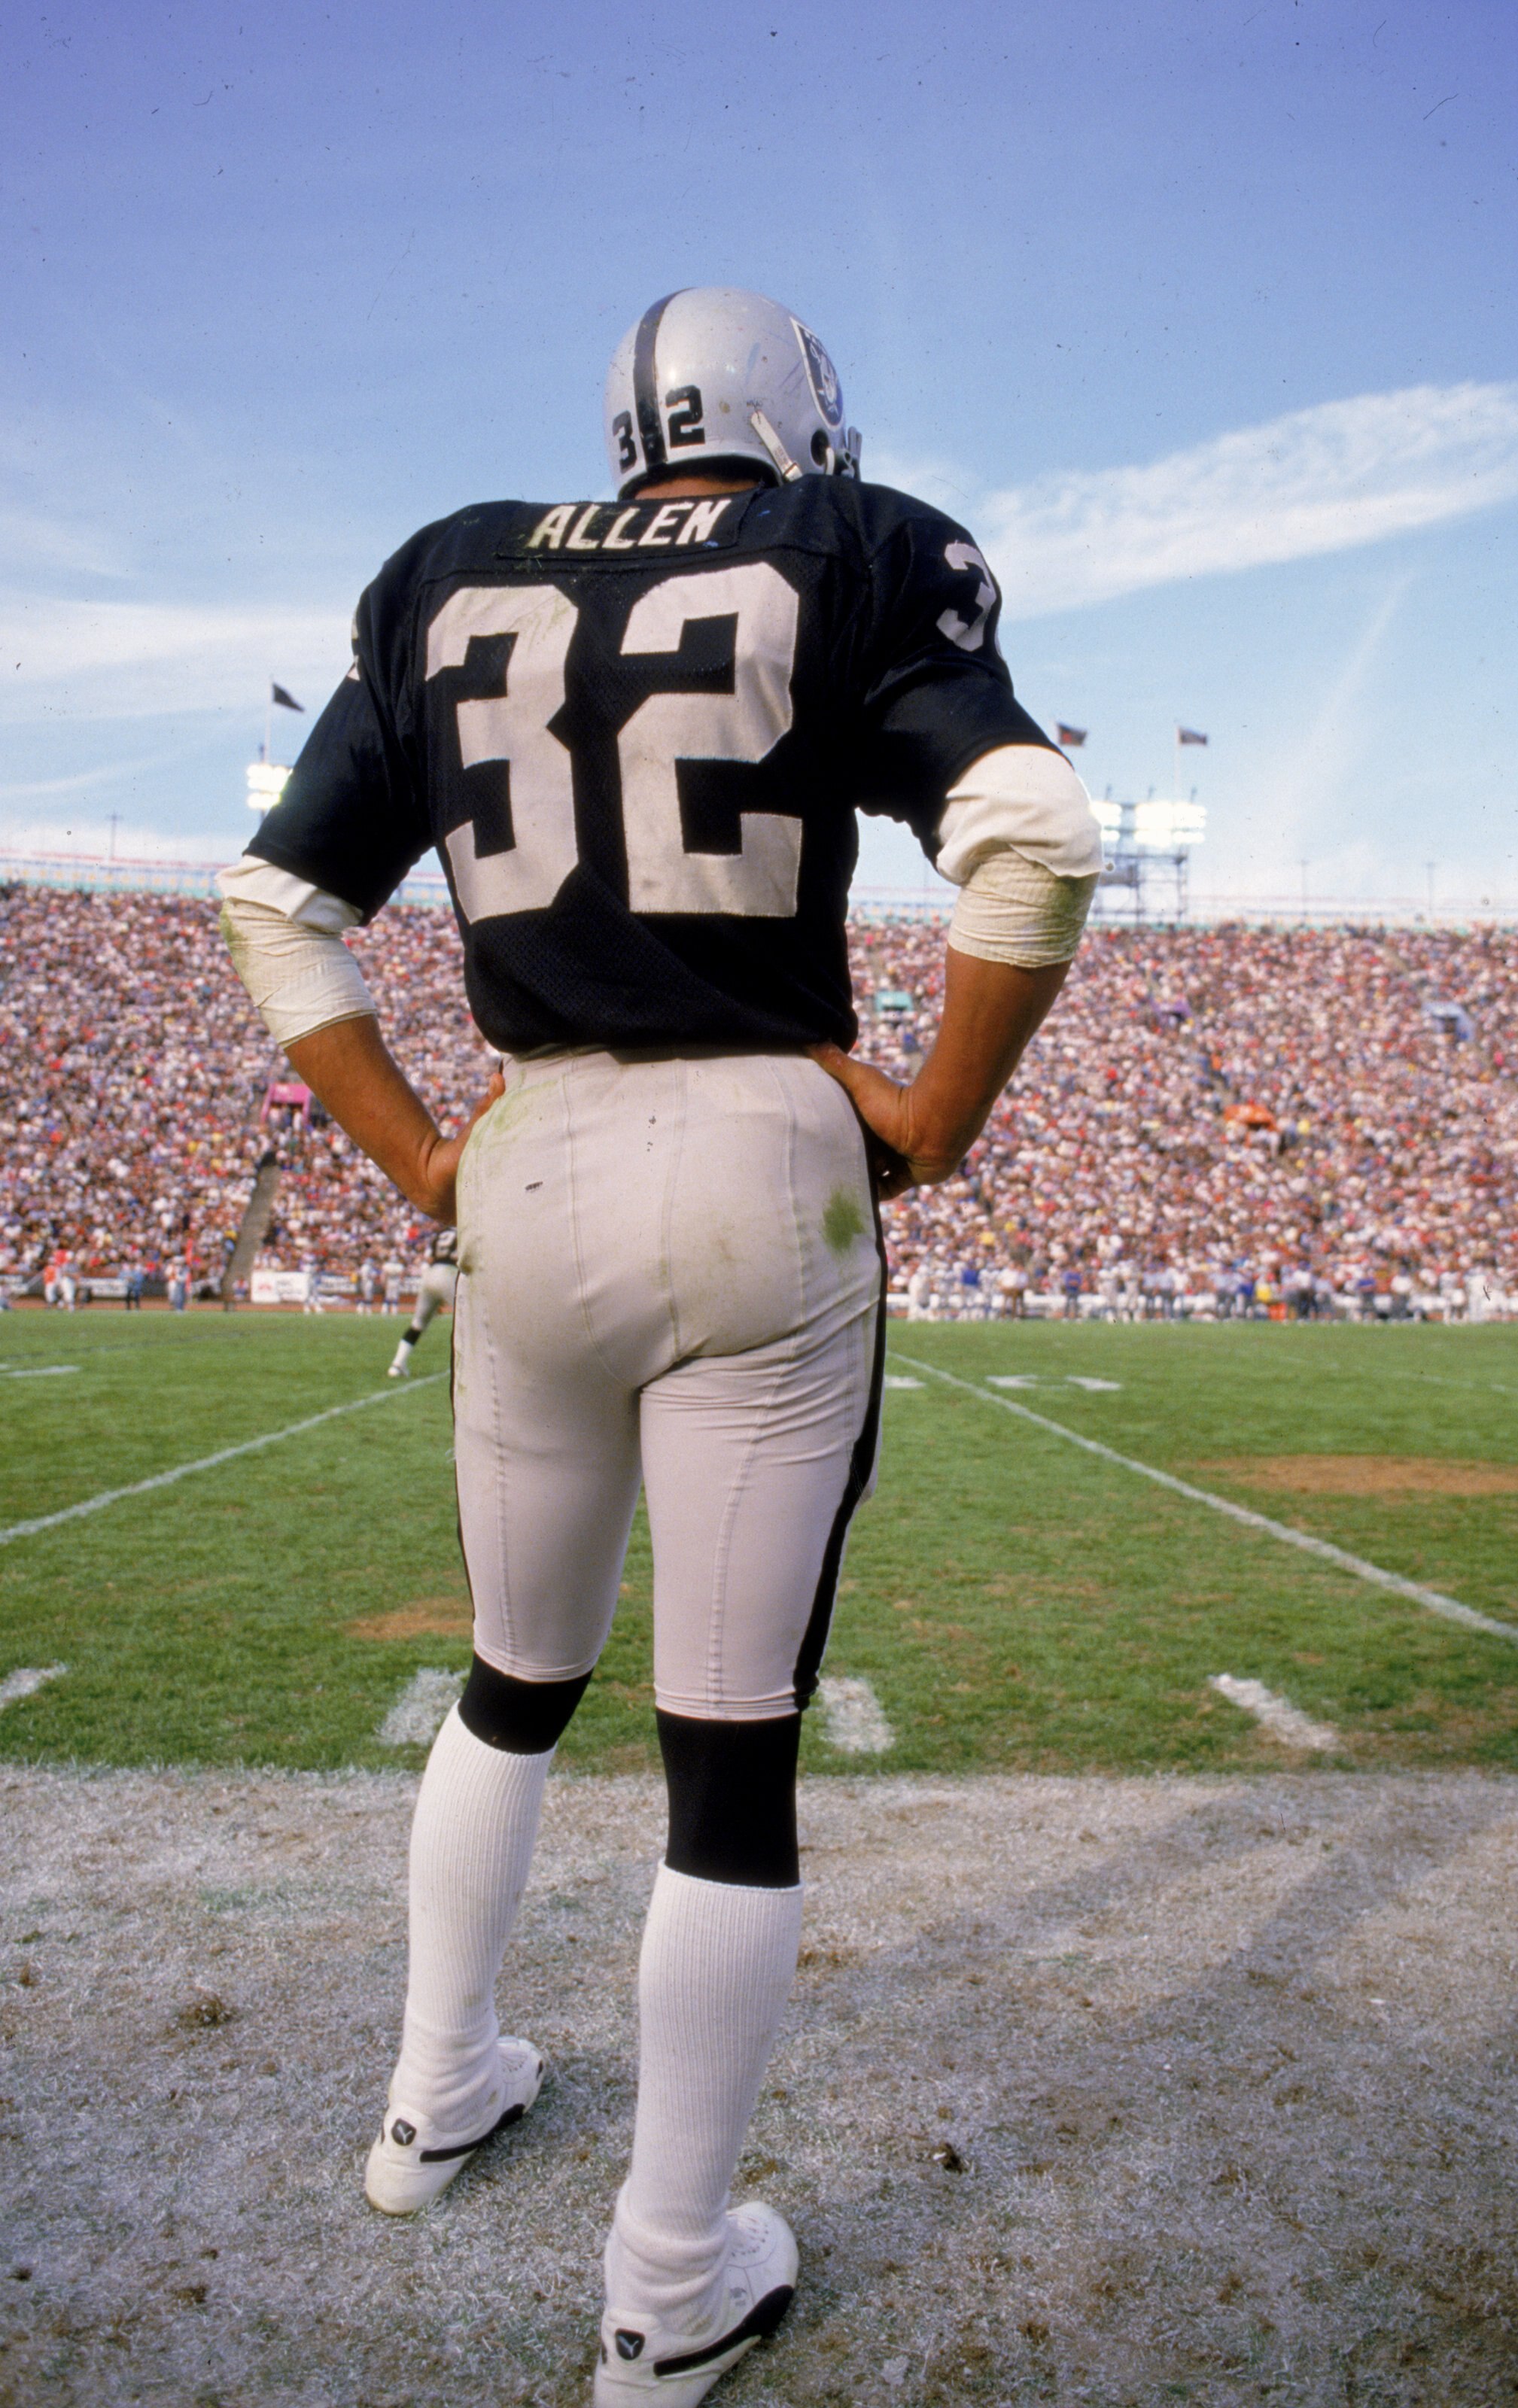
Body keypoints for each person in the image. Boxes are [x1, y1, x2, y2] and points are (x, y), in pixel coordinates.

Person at [217, 284, 1101, 2405]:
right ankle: (671, 2273)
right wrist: (940, 1123)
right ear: (799, 419)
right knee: (725, 1746)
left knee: (513, 1683)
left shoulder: (452, 568)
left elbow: (275, 901)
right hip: (759, 1155)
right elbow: (1037, 834)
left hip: (522, 1165)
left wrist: (423, 1157)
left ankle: (433, 2098)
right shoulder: (848, 543)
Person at [388, 1225, 459, 1375]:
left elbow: (430, 1257)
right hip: (450, 1273)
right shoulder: (466, 1230)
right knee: (469, 1323)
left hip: (431, 1273)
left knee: (418, 1324)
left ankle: (397, 1364)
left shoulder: (442, 1233)